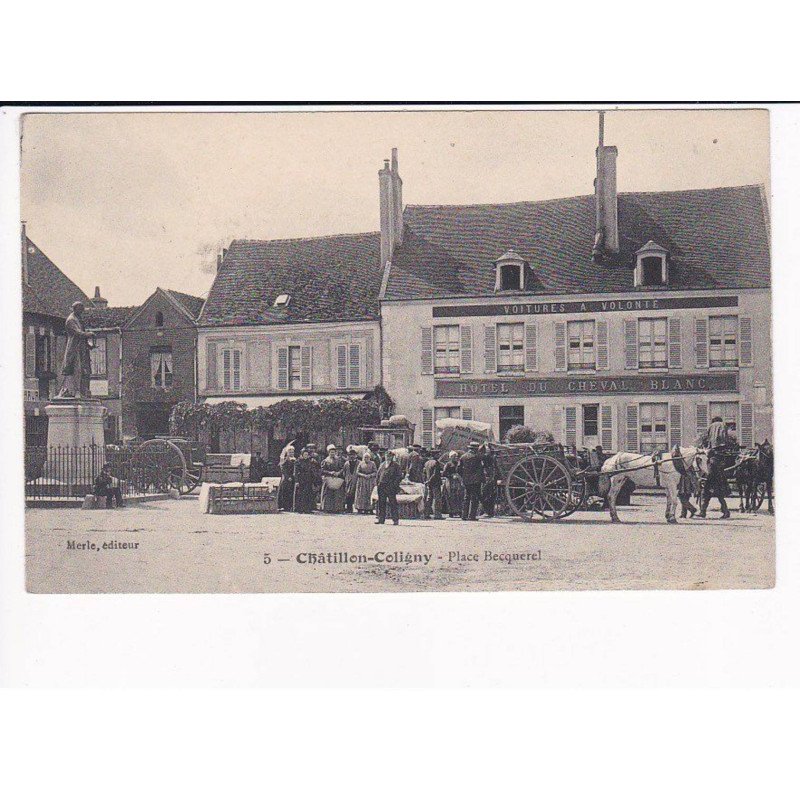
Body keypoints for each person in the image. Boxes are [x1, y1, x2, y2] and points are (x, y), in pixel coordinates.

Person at [58, 301, 94, 399]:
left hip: (82, 348)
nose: (82, 311)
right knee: (76, 368)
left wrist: (88, 344)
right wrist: (88, 334)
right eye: (80, 309)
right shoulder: (71, 320)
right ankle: (74, 390)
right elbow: (77, 333)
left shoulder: (79, 319)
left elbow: (82, 333)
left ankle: (83, 391)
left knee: (84, 369)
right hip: (74, 348)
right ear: (75, 309)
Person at [698, 416, 732, 519]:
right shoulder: (723, 426)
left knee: (707, 492)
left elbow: (705, 440)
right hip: (720, 468)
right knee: (719, 493)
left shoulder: (711, 427)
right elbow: (726, 440)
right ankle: (724, 511)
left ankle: (703, 511)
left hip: (713, 471)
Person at [458, 441, 485, 521]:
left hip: (466, 480)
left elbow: (458, 469)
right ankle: (471, 516)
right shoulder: (477, 457)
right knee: (474, 498)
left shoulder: (463, 457)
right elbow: (481, 468)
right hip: (475, 480)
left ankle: (464, 515)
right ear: (475, 449)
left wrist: (463, 476)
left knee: (466, 497)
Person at [375, 450, 403, 525]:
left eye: (390, 456)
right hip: (381, 486)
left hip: (390, 487)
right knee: (381, 503)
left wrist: (394, 484)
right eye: (387, 456)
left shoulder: (396, 465)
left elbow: (399, 476)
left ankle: (395, 520)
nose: (388, 457)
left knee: (393, 503)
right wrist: (377, 483)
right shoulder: (382, 464)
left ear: (392, 457)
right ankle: (381, 519)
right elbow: (378, 474)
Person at [320, 445, 346, 513]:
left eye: (334, 452)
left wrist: (338, 473)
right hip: (328, 479)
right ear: (328, 452)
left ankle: (337, 508)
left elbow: (342, 468)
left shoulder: (339, 460)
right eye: (331, 452)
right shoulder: (325, 460)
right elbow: (322, 470)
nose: (332, 453)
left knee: (337, 494)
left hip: (337, 479)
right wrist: (330, 472)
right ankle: (327, 508)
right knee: (328, 494)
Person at [292, 447, 316, 513]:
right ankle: (300, 509)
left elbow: (312, 470)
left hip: (308, 479)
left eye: (307, 454)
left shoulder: (310, 461)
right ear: (302, 455)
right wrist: (296, 481)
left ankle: (308, 509)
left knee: (308, 494)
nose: (306, 456)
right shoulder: (298, 461)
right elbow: (295, 472)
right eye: (304, 454)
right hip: (301, 480)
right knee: (300, 495)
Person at [422, 449, 443, 520]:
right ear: (435, 455)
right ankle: (437, 515)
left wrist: (426, 481)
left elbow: (424, 473)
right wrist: (430, 480)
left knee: (429, 498)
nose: (439, 455)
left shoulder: (427, 463)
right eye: (438, 454)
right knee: (437, 499)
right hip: (435, 483)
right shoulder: (436, 463)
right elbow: (435, 474)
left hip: (429, 483)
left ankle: (426, 513)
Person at [442, 451, 463, 518]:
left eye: (455, 456)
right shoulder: (448, 464)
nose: (455, 458)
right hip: (450, 481)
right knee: (450, 495)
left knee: (458, 495)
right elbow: (444, 473)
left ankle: (459, 511)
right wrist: (451, 476)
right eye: (453, 456)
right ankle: (451, 511)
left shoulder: (458, 463)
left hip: (457, 481)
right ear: (450, 457)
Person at [479, 445, 498, 517]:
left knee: (485, 494)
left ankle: (486, 511)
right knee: (490, 495)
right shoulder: (492, 457)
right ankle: (490, 511)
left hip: (488, 477)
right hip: (491, 477)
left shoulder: (485, 457)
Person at [277, 444, 296, 511]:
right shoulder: (285, 460)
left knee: (292, 492)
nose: (291, 453)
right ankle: (284, 506)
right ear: (287, 453)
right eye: (290, 452)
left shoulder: (295, 460)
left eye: (292, 452)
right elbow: (283, 469)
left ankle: (291, 506)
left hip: (293, 478)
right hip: (286, 478)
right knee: (285, 492)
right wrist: (288, 477)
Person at [343, 446, 360, 512]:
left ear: (356, 455)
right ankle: (349, 508)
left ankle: (358, 507)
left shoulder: (359, 463)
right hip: (348, 480)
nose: (352, 456)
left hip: (356, 480)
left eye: (353, 455)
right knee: (348, 493)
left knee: (357, 493)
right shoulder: (346, 463)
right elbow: (344, 472)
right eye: (350, 455)